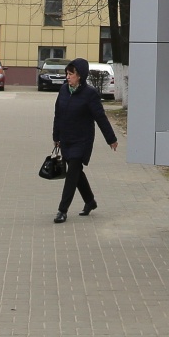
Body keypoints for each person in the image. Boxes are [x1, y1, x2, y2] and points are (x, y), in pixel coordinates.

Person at [50, 57, 116, 223]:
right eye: (67, 73)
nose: (67, 77)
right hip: (66, 139)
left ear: (80, 75)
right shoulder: (64, 90)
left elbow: (100, 117)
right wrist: (56, 136)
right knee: (76, 173)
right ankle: (90, 201)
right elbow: (58, 114)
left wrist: (111, 138)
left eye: (70, 74)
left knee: (72, 173)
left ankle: (62, 210)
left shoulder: (90, 94)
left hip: (82, 140)